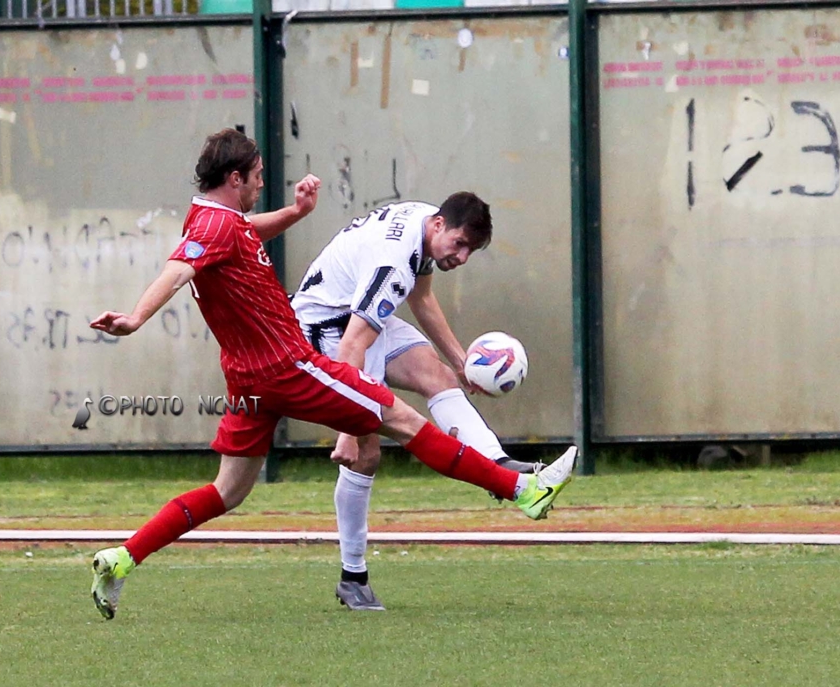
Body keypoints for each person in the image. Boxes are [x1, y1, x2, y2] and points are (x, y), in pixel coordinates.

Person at [87, 128, 577, 620]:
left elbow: (244, 231)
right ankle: (522, 490)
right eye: (257, 176)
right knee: (404, 422)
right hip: (290, 365)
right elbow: (179, 269)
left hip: (246, 376)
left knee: (227, 491)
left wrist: (296, 213)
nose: (261, 184)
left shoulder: (212, 218)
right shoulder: (219, 229)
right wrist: (135, 318)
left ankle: (123, 558)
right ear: (235, 179)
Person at [292, 193, 548, 611]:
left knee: (440, 376)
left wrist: (461, 362)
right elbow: (353, 345)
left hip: (354, 317)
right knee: (366, 453)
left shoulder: (424, 223)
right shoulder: (393, 262)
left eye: (470, 250)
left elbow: (422, 299)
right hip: (325, 329)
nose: (462, 257)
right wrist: (347, 431)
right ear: (439, 225)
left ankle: (497, 465)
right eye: (459, 244)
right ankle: (353, 577)